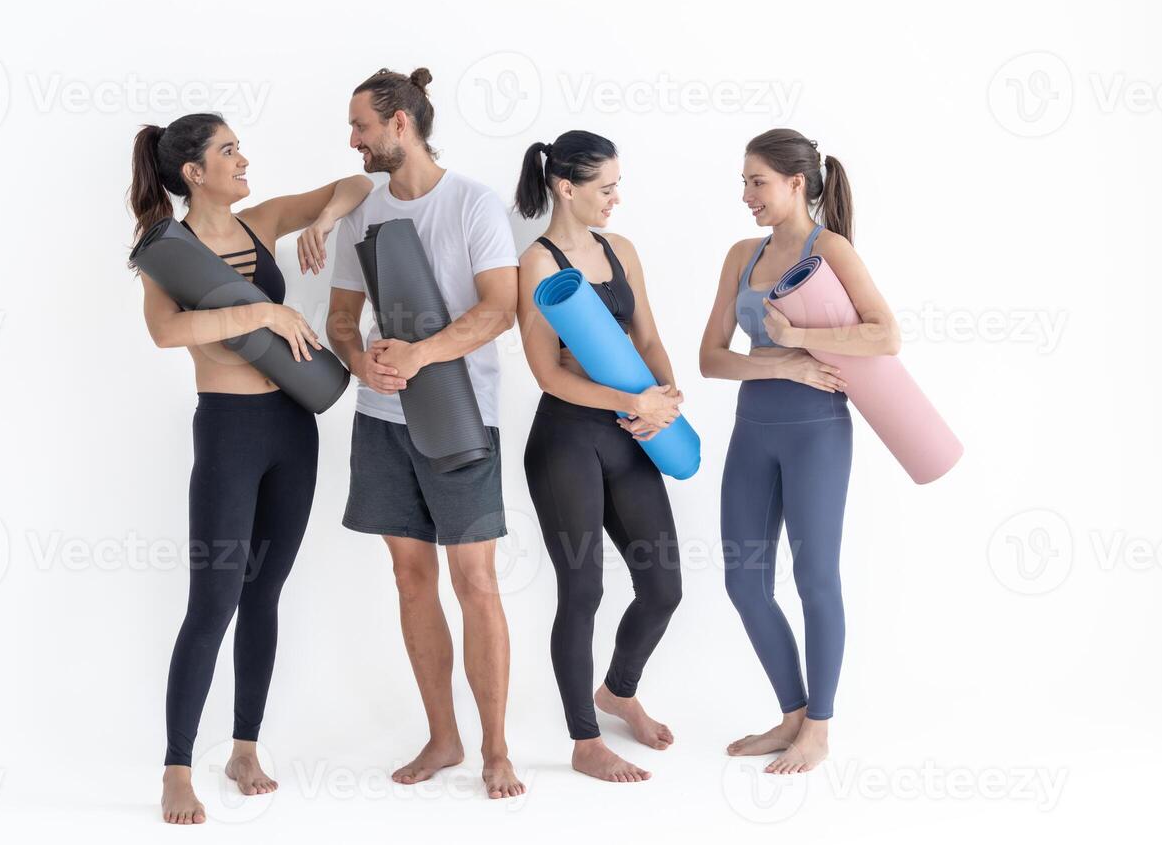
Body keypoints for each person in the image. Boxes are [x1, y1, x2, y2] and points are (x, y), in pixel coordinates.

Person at [128, 112, 371, 825]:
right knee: (213, 602)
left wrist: (324, 219)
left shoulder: (261, 223)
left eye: (239, 147)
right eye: (227, 151)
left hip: (292, 428)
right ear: (193, 173)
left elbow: (357, 181)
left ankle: (244, 748)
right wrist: (259, 315)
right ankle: (177, 769)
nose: (242, 158)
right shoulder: (167, 248)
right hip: (229, 429)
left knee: (264, 595)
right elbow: (167, 331)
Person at [324, 68, 526, 799]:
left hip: (462, 417)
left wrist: (420, 353)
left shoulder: (473, 204)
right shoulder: (364, 215)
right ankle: (443, 739)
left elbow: (499, 308)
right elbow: (343, 316)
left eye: (362, 127)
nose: (354, 140)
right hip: (382, 422)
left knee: (476, 581)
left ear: (400, 122)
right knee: (412, 578)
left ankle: (497, 750)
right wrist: (359, 362)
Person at [699, 128, 898, 775]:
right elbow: (710, 359)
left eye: (756, 181)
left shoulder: (829, 248)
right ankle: (790, 714)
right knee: (744, 581)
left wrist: (800, 335)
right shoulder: (739, 255)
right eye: (744, 182)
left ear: (795, 182)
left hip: (817, 431)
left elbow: (886, 334)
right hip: (752, 428)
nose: (746, 194)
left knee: (815, 578)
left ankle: (818, 727)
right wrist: (785, 363)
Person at [513, 130, 685, 782]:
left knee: (663, 586)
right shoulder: (536, 261)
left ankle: (618, 691)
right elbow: (546, 372)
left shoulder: (622, 250)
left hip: (632, 435)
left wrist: (664, 397)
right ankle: (585, 742)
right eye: (605, 187)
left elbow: (648, 336)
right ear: (566, 187)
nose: (616, 198)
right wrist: (628, 399)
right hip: (566, 440)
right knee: (583, 588)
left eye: (618, 186)